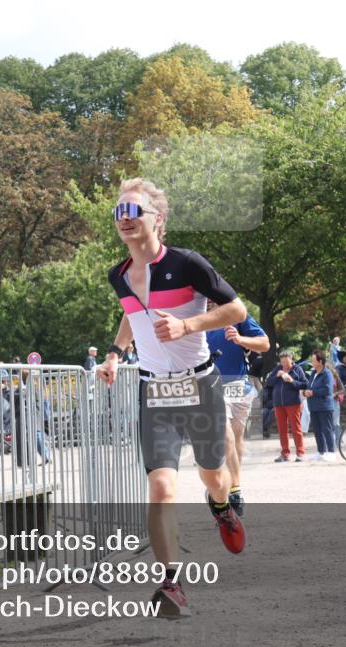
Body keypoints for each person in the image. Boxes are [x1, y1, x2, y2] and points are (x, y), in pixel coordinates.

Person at [95, 177, 247, 618]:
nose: (124, 220)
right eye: (118, 213)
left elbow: (236, 310)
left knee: (213, 475)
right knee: (160, 488)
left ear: (156, 220)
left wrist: (187, 326)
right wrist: (114, 355)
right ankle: (172, 583)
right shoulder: (119, 275)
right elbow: (131, 317)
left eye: (133, 211)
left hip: (199, 384)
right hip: (153, 389)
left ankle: (221, 506)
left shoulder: (187, 264)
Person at [206, 309, 270, 514]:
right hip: (211, 385)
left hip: (239, 384)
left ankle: (234, 484)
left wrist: (240, 339)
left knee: (236, 436)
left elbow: (265, 344)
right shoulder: (192, 315)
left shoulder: (236, 314)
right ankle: (232, 489)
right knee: (225, 435)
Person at [265, 351, 308, 462]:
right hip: (278, 404)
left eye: (286, 362)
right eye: (282, 362)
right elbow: (268, 383)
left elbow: (304, 384)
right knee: (282, 430)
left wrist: (292, 381)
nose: (284, 364)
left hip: (293, 403)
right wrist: (276, 376)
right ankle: (285, 454)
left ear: (291, 359)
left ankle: (300, 453)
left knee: (296, 429)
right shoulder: (278, 368)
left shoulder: (297, 369)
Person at [304, 350, 339, 462]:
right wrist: (305, 392)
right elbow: (309, 386)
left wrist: (313, 392)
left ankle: (331, 452)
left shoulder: (327, 373)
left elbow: (328, 389)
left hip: (324, 406)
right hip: (313, 406)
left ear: (320, 361)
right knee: (317, 430)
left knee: (327, 429)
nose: (312, 362)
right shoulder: (313, 373)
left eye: (314, 360)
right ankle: (321, 452)